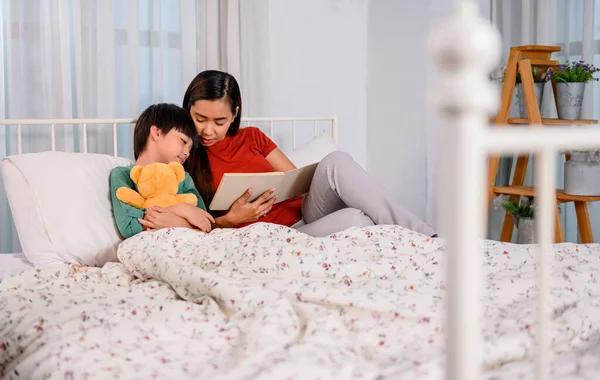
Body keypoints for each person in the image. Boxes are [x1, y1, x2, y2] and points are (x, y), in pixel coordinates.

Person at [176, 70, 437, 238]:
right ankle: (405, 235)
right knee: (359, 219)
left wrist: (283, 186)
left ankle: (427, 238)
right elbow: (189, 224)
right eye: (200, 118)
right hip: (282, 235)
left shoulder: (252, 136)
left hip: (304, 212)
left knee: (336, 161)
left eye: (219, 122)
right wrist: (231, 220)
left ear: (234, 113)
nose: (208, 130)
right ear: (188, 109)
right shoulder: (184, 155)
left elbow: (297, 183)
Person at [110, 103, 215, 239]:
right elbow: (128, 225)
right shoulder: (123, 175)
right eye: (183, 141)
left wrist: (176, 221)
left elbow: (204, 223)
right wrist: (181, 210)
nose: (187, 153)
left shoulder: (183, 178)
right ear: (157, 132)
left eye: (190, 148)